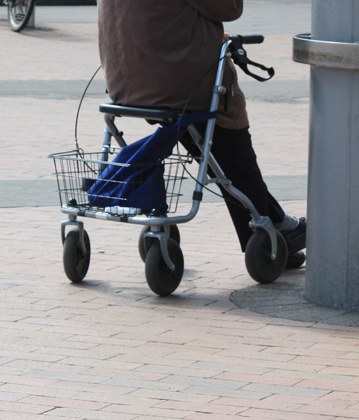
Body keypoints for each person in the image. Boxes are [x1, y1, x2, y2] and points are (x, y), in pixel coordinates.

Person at [96, 0, 306, 265]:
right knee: (229, 139)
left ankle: (277, 225)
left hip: (127, 79)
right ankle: (269, 229)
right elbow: (229, 8)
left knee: (207, 141)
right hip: (177, 81)